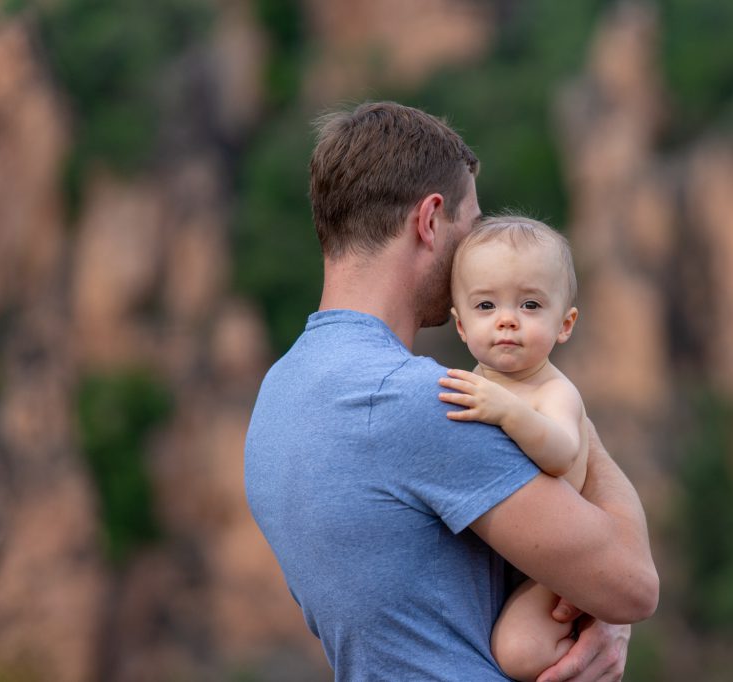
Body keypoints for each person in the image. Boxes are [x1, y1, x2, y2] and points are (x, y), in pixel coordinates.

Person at [244, 101, 658, 682]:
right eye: (474, 224)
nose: (477, 248)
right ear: (431, 219)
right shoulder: (421, 402)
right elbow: (633, 584)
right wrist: (563, 406)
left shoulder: (278, 394)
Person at [438, 216, 591, 681]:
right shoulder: (476, 383)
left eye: (530, 304)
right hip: (502, 556)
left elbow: (562, 452)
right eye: (486, 305)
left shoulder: (552, 392)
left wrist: (508, 411)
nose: (507, 319)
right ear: (461, 326)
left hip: (555, 562)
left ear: (564, 324)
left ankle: (579, 641)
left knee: (518, 652)